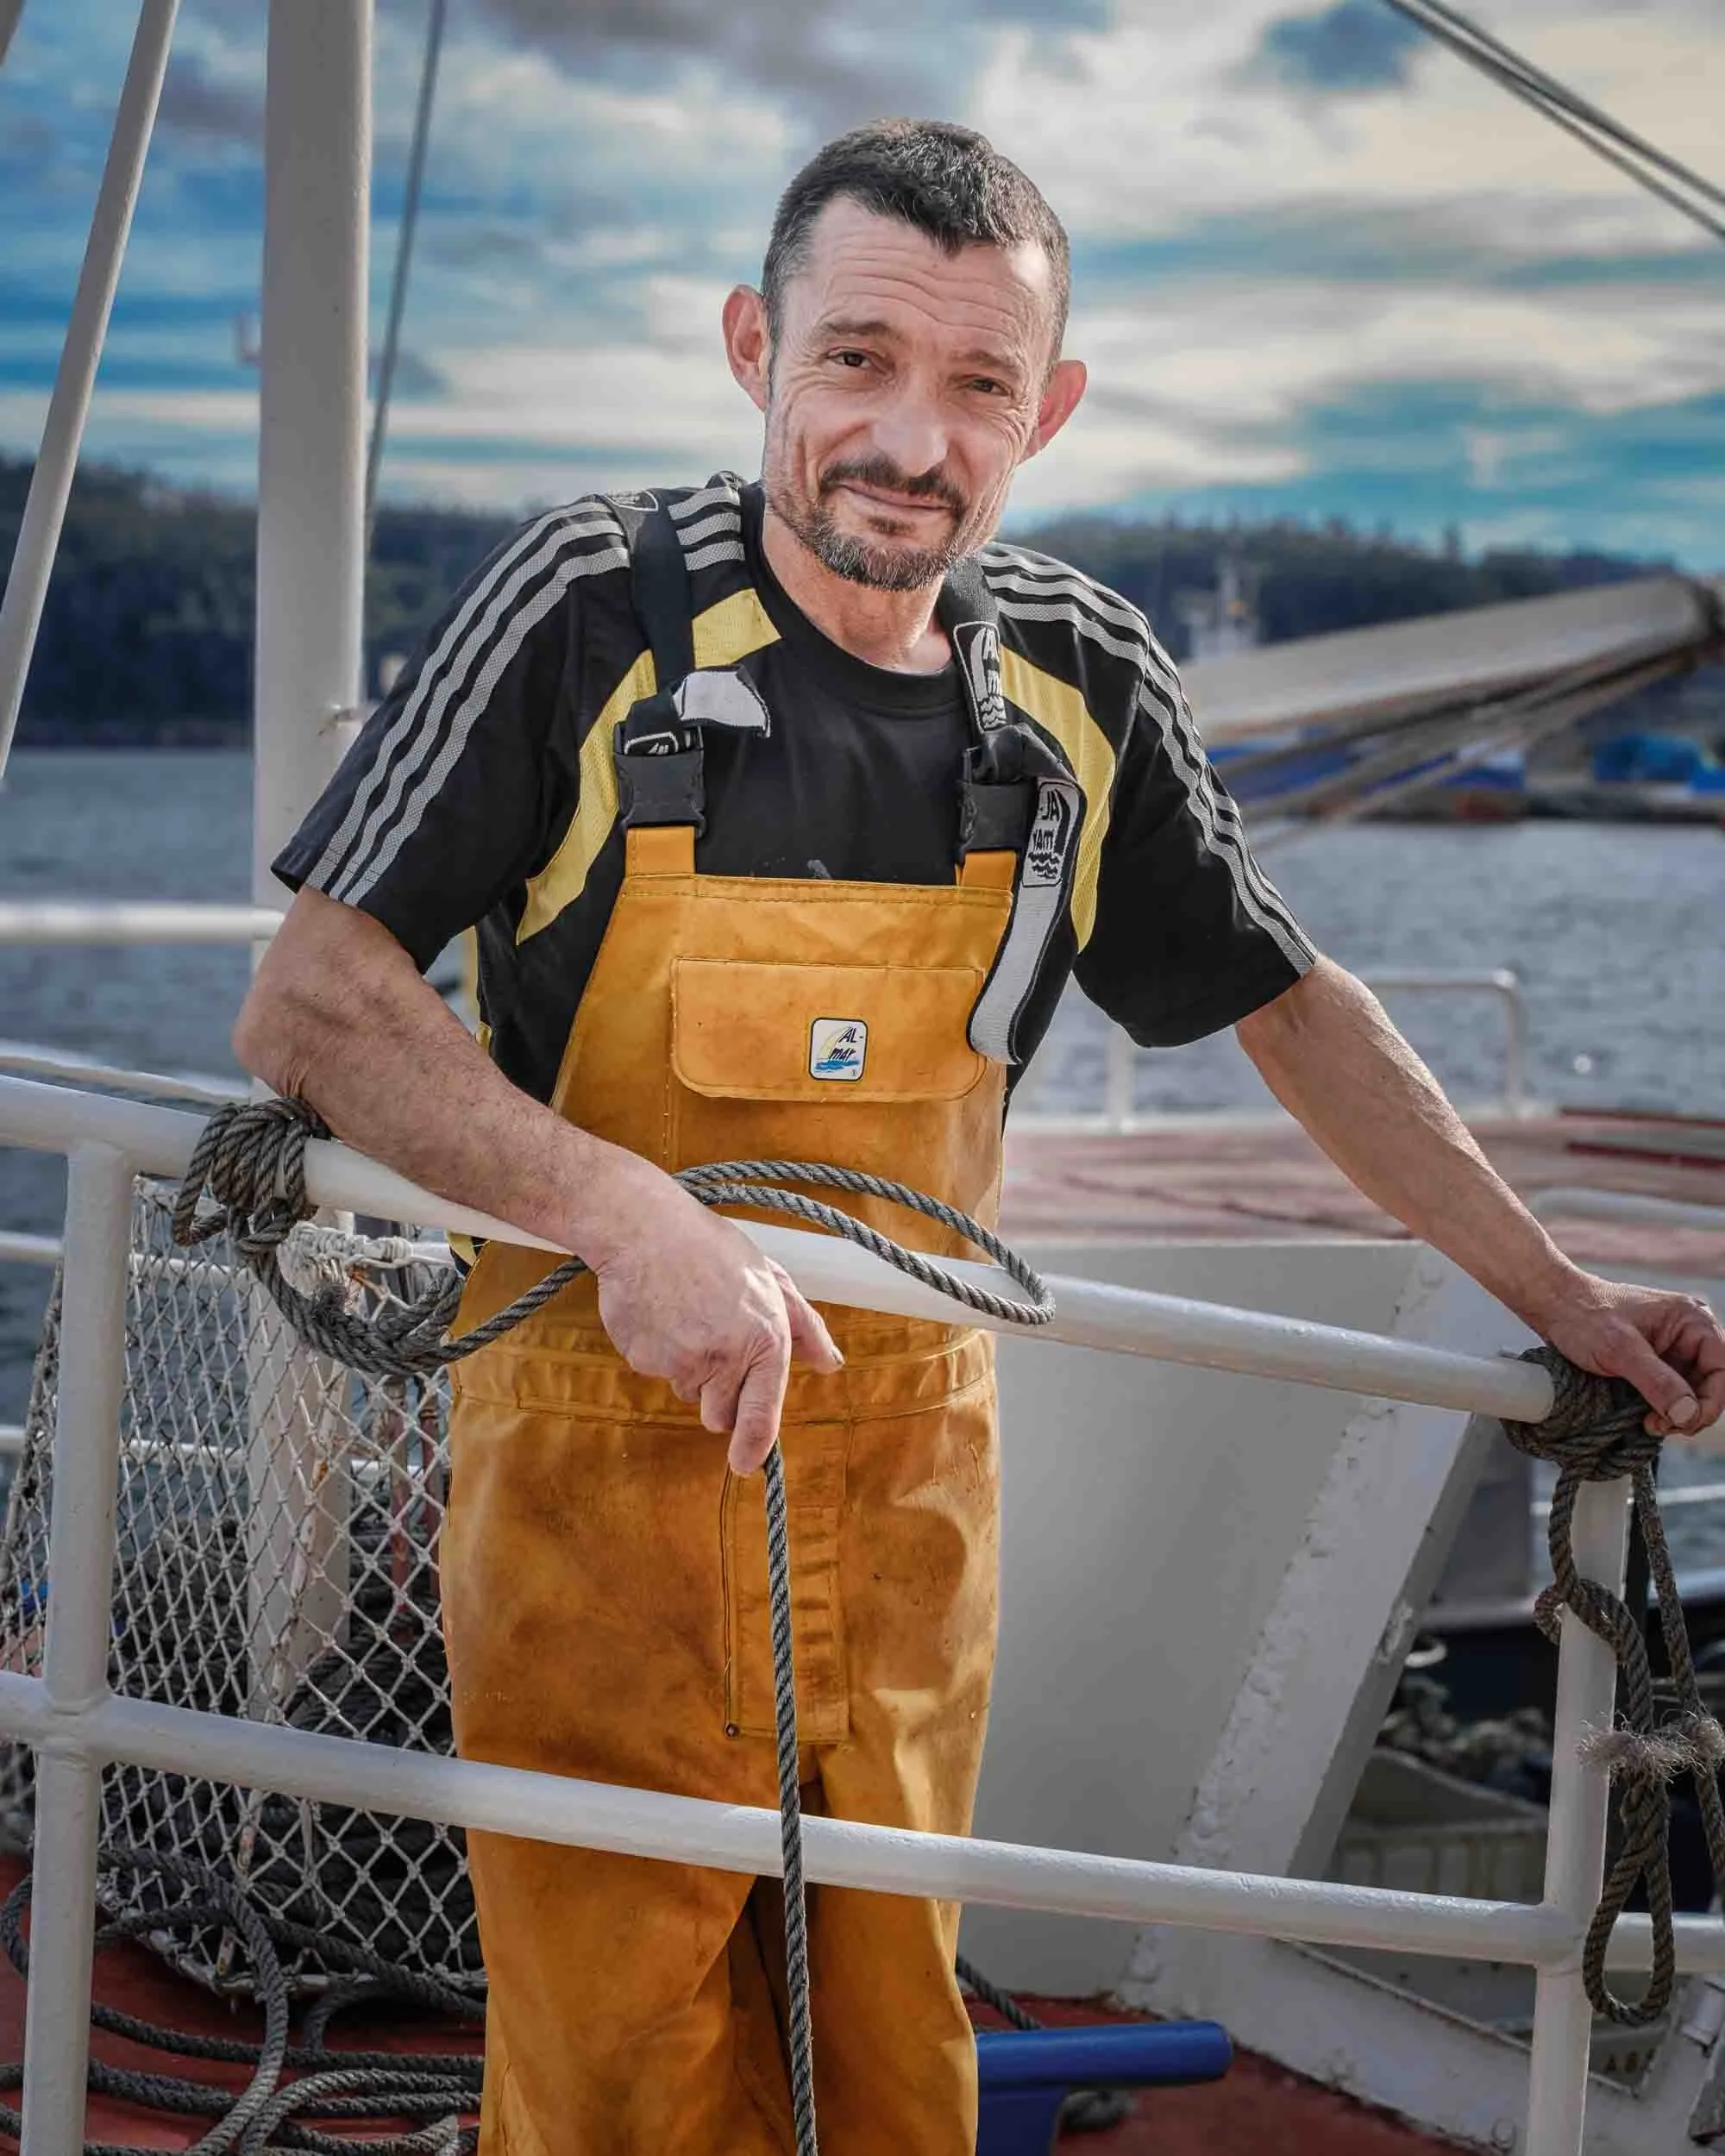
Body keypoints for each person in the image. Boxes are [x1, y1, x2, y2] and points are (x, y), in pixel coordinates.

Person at [237, 118, 1725, 2156]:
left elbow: (1288, 1001)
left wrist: (1560, 1297)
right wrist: (619, 1208)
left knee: (893, 2052)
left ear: (1052, 408)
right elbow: (315, 998)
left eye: (977, 385)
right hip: (602, 1458)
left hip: (912, 1479)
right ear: (754, 345)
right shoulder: (587, 610)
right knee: (614, 2068)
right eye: (856, 359)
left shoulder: (1080, 679)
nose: (910, 439)